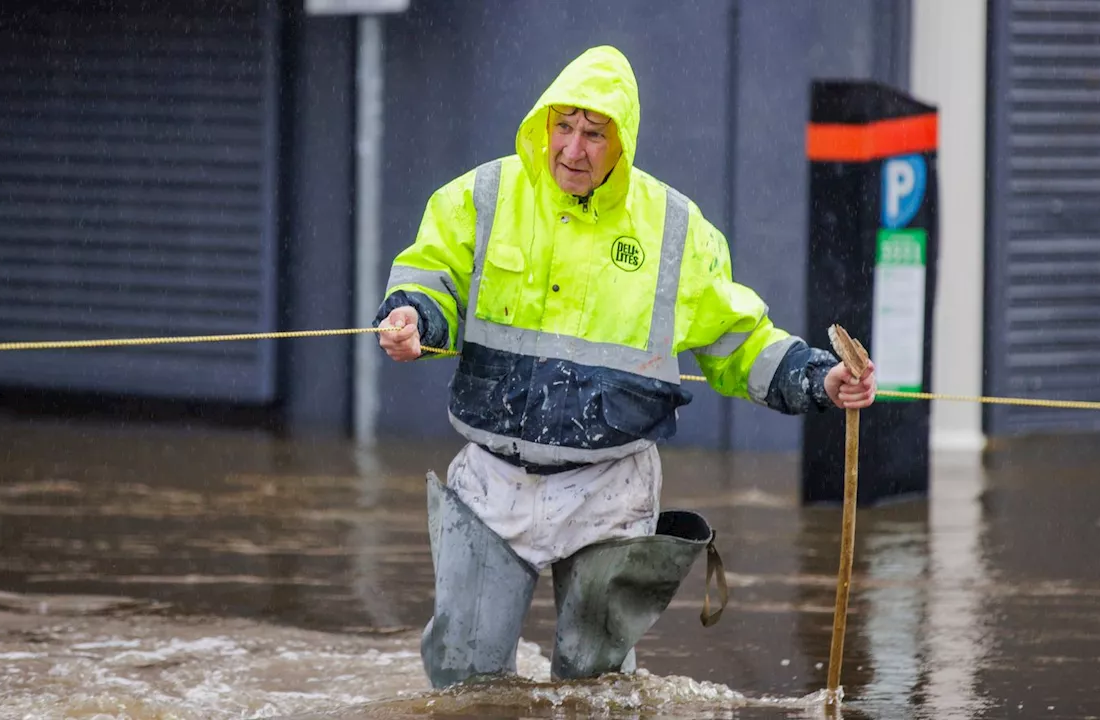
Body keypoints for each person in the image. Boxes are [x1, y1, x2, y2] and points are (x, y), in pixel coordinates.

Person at [375, 45, 876, 688]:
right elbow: (430, 275)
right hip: (492, 478)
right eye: (563, 127)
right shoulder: (484, 193)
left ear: (623, 144)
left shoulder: (676, 229)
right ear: (543, 124)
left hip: (610, 487)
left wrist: (818, 380)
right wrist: (414, 317)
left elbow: (738, 341)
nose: (573, 150)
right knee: (464, 681)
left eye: (594, 134)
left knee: (595, 686)